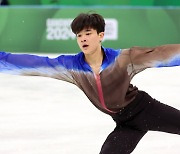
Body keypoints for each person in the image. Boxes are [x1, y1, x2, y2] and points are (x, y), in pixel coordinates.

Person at [0, 12, 180, 154]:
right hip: (125, 123)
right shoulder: (72, 66)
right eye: (79, 35)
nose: (83, 38)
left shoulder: (123, 58)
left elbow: (161, 53)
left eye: (88, 33)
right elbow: (36, 63)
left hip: (145, 110)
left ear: (100, 35)